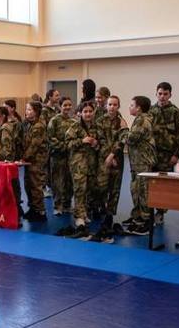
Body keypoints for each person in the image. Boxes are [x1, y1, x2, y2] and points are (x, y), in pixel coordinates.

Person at [150, 82, 179, 225]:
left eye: (165, 94)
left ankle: (160, 212)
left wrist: (176, 155)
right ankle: (147, 212)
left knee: (162, 185)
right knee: (150, 183)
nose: (162, 96)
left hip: (167, 155)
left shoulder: (175, 111)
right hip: (152, 153)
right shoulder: (150, 111)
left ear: (170, 94)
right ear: (156, 94)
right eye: (160, 93)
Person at [93, 95, 128, 240]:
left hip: (117, 160)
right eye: (110, 104)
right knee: (101, 187)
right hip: (102, 159)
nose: (112, 107)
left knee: (115, 189)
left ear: (118, 106)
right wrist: (108, 155)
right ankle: (99, 208)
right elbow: (100, 140)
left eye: (115, 105)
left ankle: (109, 215)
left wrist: (113, 155)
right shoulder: (100, 121)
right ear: (106, 106)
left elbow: (123, 139)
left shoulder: (122, 122)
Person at [122, 96, 156, 236]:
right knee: (136, 189)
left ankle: (147, 222)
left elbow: (131, 139)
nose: (129, 107)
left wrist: (123, 129)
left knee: (143, 191)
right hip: (137, 161)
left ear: (139, 108)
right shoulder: (140, 119)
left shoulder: (142, 120)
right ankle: (139, 217)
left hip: (143, 161)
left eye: (132, 105)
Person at [64, 102, 99, 238]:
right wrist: (82, 141)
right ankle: (79, 216)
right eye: (85, 111)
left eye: (90, 111)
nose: (88, 114)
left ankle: (84, 213)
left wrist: (96, 144)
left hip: (91, 163)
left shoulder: (96, 126)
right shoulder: (75, 126)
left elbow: (99, 143)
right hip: (78, 163)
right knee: (79, 189)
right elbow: (67, 144)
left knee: (89, 189)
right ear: (80, 113)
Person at [46, 97, 75, 216]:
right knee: (57, 182)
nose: (67, 107)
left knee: (69, 182)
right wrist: (64, 146)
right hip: (57, 156)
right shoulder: (54, 120)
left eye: (69, 105)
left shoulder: (74, 121)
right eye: (65, 105)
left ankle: (67, 204)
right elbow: (50, 137)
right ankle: (58, 206)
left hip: (70, 157)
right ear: (60, 106)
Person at [21, 101, 48, 221]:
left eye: (30, 110)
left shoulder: (39, 126)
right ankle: (32, 208)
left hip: (36, 160)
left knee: (36, 185)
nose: (27, 112)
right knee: (28, 184)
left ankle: (40, 211)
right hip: (29, 160)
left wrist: (24, 157)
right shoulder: (29, 124)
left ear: (36, 112)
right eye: (26, 109)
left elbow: (34, 146)